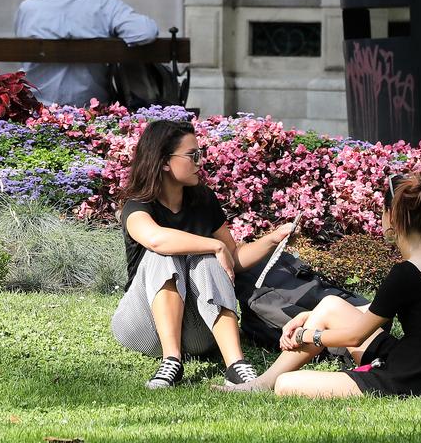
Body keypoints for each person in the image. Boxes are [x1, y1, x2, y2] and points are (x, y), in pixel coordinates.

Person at [226, 174, 421, 397]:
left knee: (286, 384)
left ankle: (267, 383)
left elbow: (354, 337)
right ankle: (259, 385)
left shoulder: (406, 272)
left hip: (410, 380)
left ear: (391, 216)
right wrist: (309, 316)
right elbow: (377, 311)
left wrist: (306, 334)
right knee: (330, 305)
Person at [109, 119, 295, 389]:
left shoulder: (203, 199)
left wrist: (273, 239)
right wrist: (212, 244)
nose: (200, 161)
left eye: (201, 153)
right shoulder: (138, 205)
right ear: (163, 161)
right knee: (163, 255)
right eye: (192, 155)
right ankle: (171, 361)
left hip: (198, 332)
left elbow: (232, 256)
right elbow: (156, 239)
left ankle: (236, 365)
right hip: (143, 327)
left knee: (208, 261)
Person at [14, 0, 159, 108]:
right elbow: (146, 32)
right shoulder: (106, 6)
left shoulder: (28, 8)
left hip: (38, 109)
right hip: (91, 111)